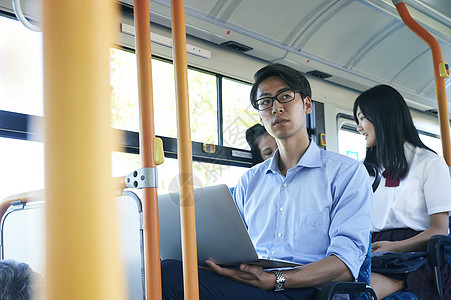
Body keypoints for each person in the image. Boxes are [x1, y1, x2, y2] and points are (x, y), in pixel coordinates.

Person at [161, 63, 373, 299]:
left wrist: (276, 280)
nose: (276, 108)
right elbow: (232, 248)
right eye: (266, 102)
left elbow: (345, 264)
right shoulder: (249, 181)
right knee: (168, 269)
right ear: (261, 118)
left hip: (310, 290)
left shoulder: (346, 173)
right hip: (254, 283)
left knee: (168, 277)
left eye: (285, 97)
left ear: (307, 105)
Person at [353, 84, 451, 299]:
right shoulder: (363, 170)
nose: (359, 127)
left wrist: (395, 247)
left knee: (360, 294)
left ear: (382, 117)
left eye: (362, 118)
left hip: (416, 256)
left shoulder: (430, 163)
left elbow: (440, 230)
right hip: (373, 252)